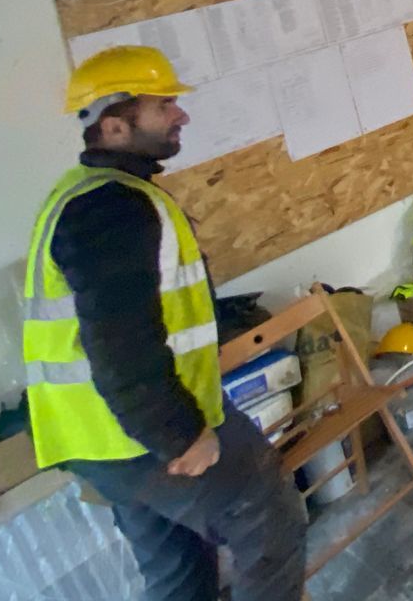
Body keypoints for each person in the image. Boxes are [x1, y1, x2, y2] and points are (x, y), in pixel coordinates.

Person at [22, 46, 306, 601]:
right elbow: (120, 343)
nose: (181, 115)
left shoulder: (88, 195)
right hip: (145, 432)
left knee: (177, 569)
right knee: (270, 518)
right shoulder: (112, 210)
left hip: (102, 437)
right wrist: (182, 435)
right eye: (164, 105)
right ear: (115, 125)